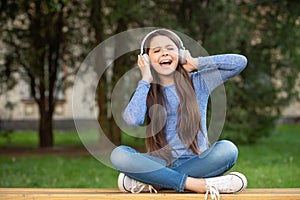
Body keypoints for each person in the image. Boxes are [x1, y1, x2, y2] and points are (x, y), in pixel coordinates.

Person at [110, 29, 248, 200]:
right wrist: (145, 79)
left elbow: (239, 62)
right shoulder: (146, 90)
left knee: (228, 149)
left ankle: (154, 182)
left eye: (170, 48)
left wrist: (195, 62)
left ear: (180, 54)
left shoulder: (199, 82)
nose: (165, 53)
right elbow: (132, 120)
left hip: (197, 162)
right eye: (157, 50)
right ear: (146, 59)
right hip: (159, 164)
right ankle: (198, 184)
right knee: (119, 154)